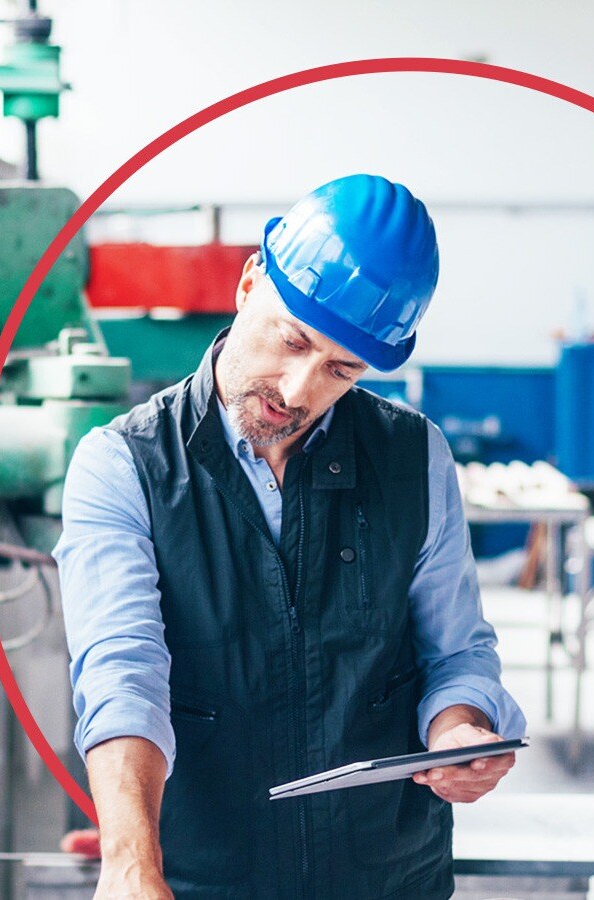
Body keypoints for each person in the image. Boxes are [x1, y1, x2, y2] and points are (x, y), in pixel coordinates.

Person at [55, 175, 527, 898]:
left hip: (387, 878)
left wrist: (462, 728)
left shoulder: (414, 459)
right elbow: (122, 675)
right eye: (293, 341)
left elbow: (456, 650)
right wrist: (129, 866)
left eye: (342, 368)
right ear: (250, 283)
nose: (301, 390)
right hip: (200, 880)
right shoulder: (124, 466)